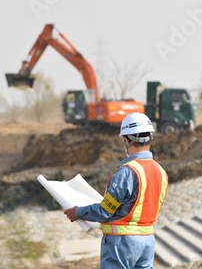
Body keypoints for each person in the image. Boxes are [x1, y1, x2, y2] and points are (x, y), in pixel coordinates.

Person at [64, 112, 169, 269]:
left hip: (122, 243)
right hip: (147, 241)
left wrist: (78, 212)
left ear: (126, 139)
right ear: (150, 137)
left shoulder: (127, 172)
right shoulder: (161, 172)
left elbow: (105, 211)